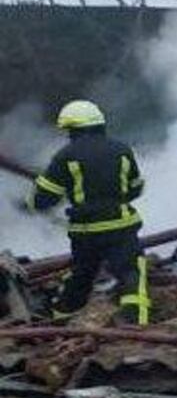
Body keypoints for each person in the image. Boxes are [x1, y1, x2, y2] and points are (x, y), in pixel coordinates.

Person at [29, 100, 150, 325]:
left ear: (72, 129)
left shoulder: (65, 156)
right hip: (120, 226)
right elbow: (135, 187)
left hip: (85, 231)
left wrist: (32, 201)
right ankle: (135, 319)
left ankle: (60, 317)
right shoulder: (122, 150)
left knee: (81, 275)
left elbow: (43, 199)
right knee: (131, 270)